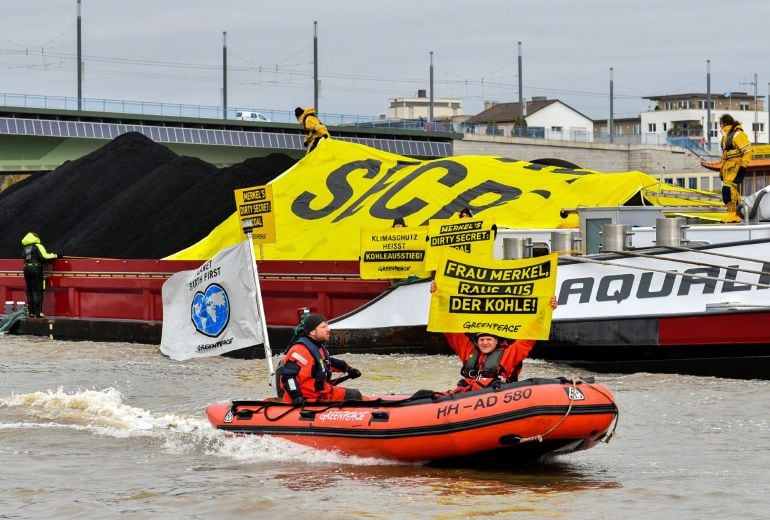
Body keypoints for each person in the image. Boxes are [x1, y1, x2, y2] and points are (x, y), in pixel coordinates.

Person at [430, 281, 557, 393]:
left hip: (495, 400)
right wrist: (439, 296)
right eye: (481, 340)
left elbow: (530, 337)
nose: (485, 343)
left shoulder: (508, 355)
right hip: (466, 399)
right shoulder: (469, 351)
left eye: (489, 339)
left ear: (496, 341)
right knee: (424, 393)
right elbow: (450, 330)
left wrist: (547, 310)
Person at [279, 313, 363, 406]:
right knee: (354, 395)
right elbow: (288, 377)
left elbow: (326, 362)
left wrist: (348, 369)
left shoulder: (318, 346)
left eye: (327, 326)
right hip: (307, 398)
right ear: (312, 332)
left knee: (355, 395)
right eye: (323, 327)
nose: (328, 330)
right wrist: (296, 397)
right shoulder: (300, 351)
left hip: (321, 393)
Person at [718, 114, 753, 223]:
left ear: (722, 123)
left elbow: (748, 151)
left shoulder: (738, 135)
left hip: (736, 167)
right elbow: (726, 156)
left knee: (728, 190)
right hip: (728, 169)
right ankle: (734, 213)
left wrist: (742, 168)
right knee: (730, 192)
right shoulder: (726, 137)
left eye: (720, 124)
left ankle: (734, 214)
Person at [20, 232, 57, 318]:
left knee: (29, 291)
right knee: (37, 291)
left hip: (26, 269)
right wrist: (55, 255)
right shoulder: (38, 246)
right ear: (36, 237)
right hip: (36, 269)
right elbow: (45, 256)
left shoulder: (25, 248)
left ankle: (31, 312)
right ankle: (38, 313)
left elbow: (22, 256)